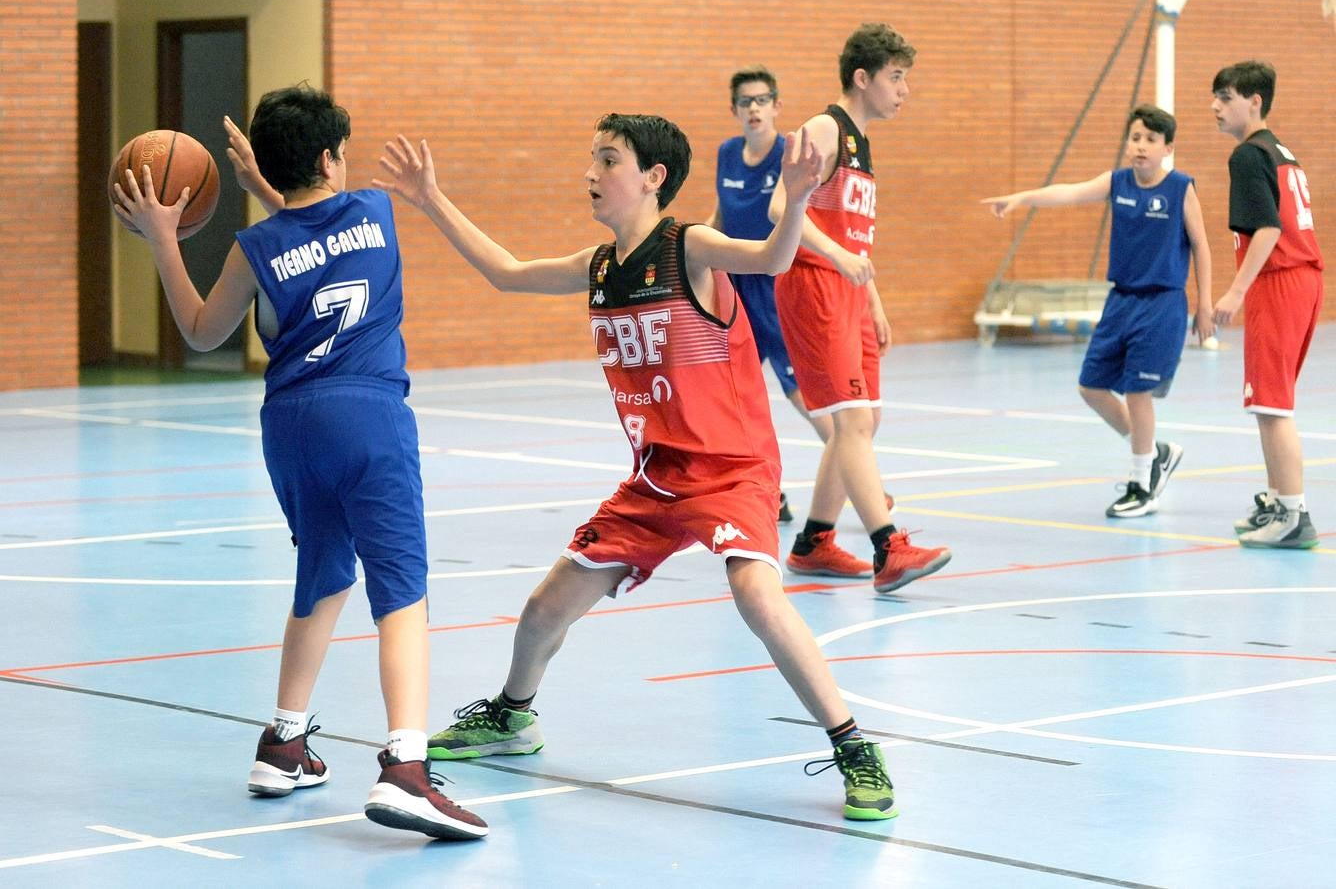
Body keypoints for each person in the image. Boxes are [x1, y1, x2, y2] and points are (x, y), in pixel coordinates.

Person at [373, 113, 898, 821]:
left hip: (733, 469)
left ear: (652, 178)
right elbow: (506, 273)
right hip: (655, 477)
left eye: (608, 159)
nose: (591, 172)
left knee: (758, 596)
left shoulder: (692, 248)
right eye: (591, 158)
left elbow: (773, 259)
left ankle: (853, 747)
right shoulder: (596, 267)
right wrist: (431, 198)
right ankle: (512, 715)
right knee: (542, 609)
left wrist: (799, 195)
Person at [112, 85, 488, 840]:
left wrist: (162, 238)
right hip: (369, 417)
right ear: (329, 156)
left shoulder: (255, 250)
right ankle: (407, 769)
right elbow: (324, 215)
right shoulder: (377, 210)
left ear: (274, 169)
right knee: (402, 589)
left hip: (289, 427)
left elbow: (200, 330)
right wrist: (269, 185)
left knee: (322, 573)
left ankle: (283, 743)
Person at [767, 23, 951, 592]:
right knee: (849, 420)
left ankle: (814, 541)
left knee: (865, 419)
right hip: (813, 284)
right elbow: (780, 208)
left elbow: (850, 234)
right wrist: (839, 261)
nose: (904, 89)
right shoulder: (825, 128)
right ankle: (888, 547)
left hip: (846, 289)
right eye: (896, 78)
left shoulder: (862, 145)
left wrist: (872, 296)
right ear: (862, 78)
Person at [981, 105, 1214, 518]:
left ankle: (1142, 484)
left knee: (1138, 392)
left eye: (1151, 140)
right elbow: (1067, 192)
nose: (1141, 146)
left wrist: (1206, 305)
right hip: (1121, 301)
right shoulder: (1117, 183)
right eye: (1136, 138)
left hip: (1162, 303)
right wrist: (1022, 198)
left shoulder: (1180, 188)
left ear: (1168, 148)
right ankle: (1154, 452)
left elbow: (1201, 246)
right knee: (1091, 387)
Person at [707, 65, 897, 526]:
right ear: (734, 110)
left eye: (762, 99)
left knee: (812, 399)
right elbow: (721, 215)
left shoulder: (793, 153)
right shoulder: (728, 154)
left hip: (782, 285)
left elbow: (834, 225)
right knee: (732, 398)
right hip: (734, 285)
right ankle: (760, 492)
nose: (754, 108)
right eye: (745, 101)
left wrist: (870, 293)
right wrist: (694, 251)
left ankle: (860, 479)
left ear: (776, 106)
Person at [1210, 61, 1323, 548]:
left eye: (1226, 96)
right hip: (1306, 279)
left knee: (1273, 406)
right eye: (1214, 96)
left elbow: (1269, 229)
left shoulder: (1247, 155)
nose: (1216, 106)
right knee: (1268, 404)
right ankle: (1280, 502)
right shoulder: (1283, 152)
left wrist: (1236, 290)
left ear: (1254, 101)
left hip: (1279, 282)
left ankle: (1294, 516)